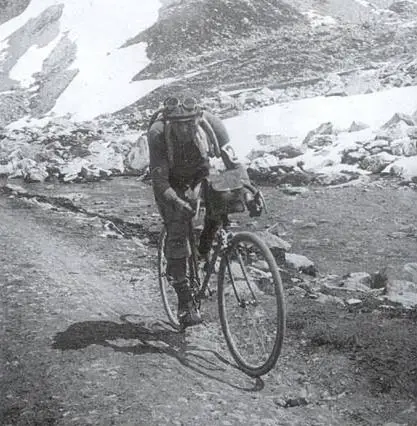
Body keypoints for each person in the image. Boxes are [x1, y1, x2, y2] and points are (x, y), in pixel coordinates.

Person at [147, 95, 262, 328]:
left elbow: (234, 163)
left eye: (190, 123)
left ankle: (203, 250)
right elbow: (159, 180)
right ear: (170, 123)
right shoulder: (158, 133)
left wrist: (249, 189)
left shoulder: (212, 125)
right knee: (178, 228)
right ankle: (184, 299)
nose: (185, 129)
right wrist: (177, 202)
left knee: (225, 201)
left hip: (200, 174)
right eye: (179, 125)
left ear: (198, 119)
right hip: (170, 183)